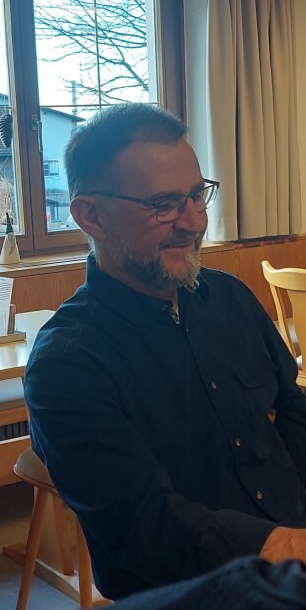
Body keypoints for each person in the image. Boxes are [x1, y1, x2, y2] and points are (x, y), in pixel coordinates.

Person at [25, 102, 306, 601]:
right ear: (92, 216)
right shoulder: (67, 363)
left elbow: (293, 413)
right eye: (164, 205)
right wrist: (283, 547)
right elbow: (143, 524)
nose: (194, 222)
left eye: (197, 195)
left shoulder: (230, 298)